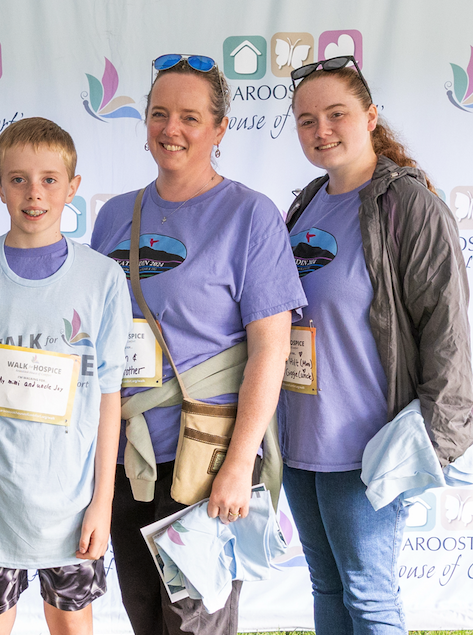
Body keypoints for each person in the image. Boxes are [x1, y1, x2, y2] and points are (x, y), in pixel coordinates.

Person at [89, 55, 306, 634]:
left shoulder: (250, 215)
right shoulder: (115, 216)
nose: (171, 129)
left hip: (206, 457)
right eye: (159, 114)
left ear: (219, 128)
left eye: (190, 117)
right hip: (127, 456)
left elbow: (270, 350)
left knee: (194, 623)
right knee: (145, 615)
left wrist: (239, 464)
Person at [281, 55, 473, 635]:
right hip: (299, 440)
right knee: (327, 586)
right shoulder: (307, 202)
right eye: (307, 120)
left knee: (368, 597)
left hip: (368, 448)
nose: (321, 130)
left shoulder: (409, 205)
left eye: (336, 114)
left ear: (369, 117)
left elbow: (448, 333)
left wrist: (433, 440)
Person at [0, 117, 132, 635]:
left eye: (49, 179)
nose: (34, 193)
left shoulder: (102, 278)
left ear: (73, 187)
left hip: (71, 505)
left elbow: (108, 397)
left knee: (72, 623)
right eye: (18, 179)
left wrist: (102, 503)